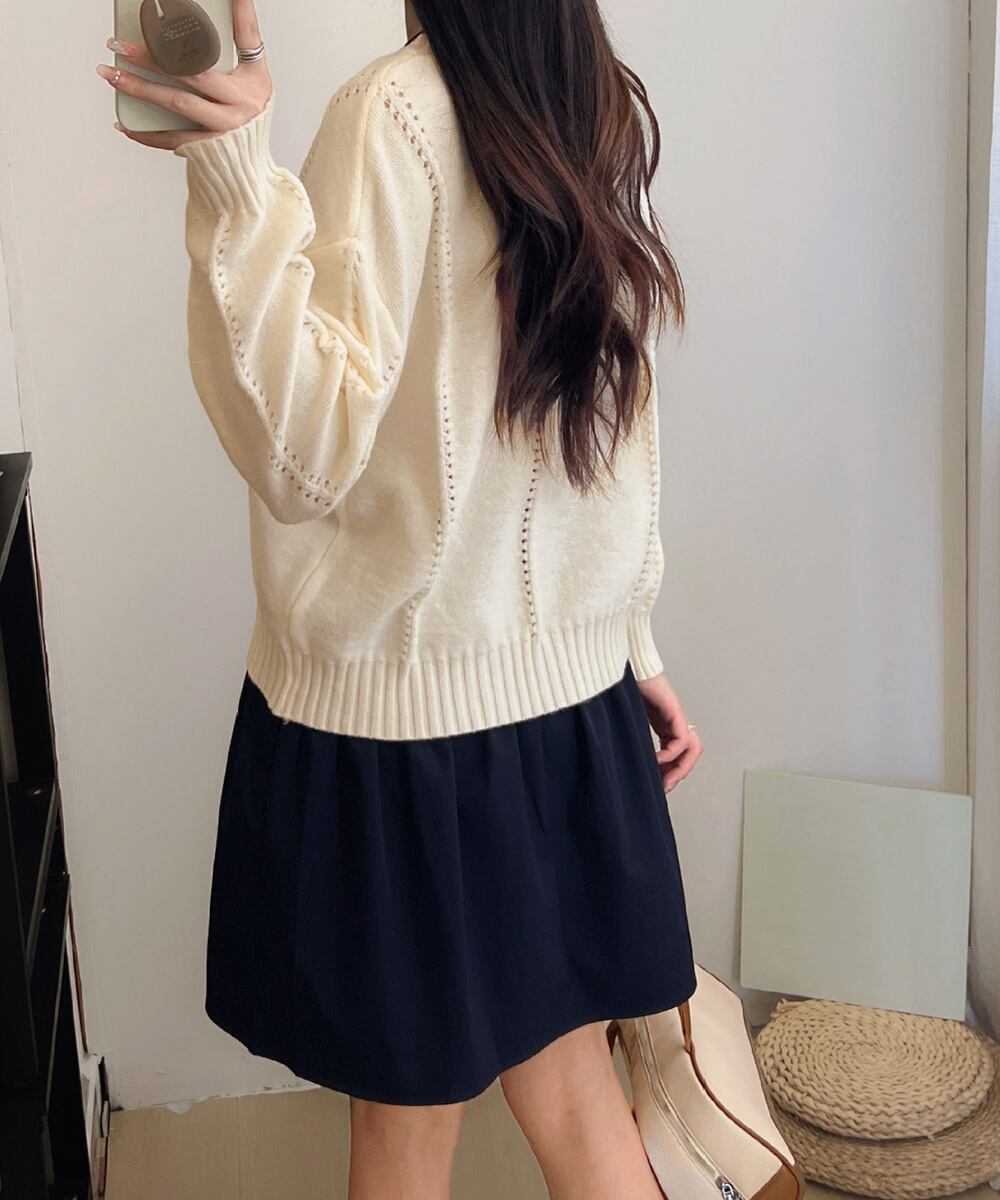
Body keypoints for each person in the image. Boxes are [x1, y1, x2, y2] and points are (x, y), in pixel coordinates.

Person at [97, 1, 704, 1196]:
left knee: (406, 1134)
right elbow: (606, 427)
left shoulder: (393, 112)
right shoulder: (579, 95)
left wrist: (234, 175)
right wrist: (629, 644)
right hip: (570, 719)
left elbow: (301, 460)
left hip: (401, 739)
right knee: (581, 1103)